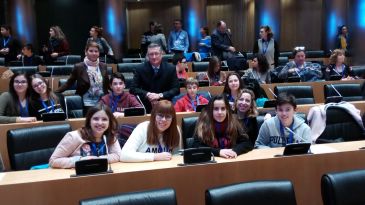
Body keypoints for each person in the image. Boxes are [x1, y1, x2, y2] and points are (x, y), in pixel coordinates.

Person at [49, 104, 122, 168]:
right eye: (96, 119)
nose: (100, 123)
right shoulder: (73, 137)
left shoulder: (110, 136)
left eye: (104, 119)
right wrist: (80, 160)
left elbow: (117, 155)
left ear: (109, 122)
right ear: (89, 121)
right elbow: (53, 161)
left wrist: (97, 160)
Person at [56, 41, 109, 108]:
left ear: (99, 53)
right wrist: (54, 93)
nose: (94, 53)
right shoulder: (79, 67)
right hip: (87, 102)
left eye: (96, 51)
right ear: (86, 52)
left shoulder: (103, 66)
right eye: (91, 51)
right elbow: (68, 84)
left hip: (103, 100)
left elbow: (107, 84)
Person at [130, 43, 180, 113]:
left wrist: (160, 95)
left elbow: (176, 89)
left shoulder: (170, 68)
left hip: (165, 105)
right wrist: (148, 94)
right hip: (146, 106)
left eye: (156, 54)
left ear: (161, 54)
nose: (154, 57)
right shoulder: (140, 69)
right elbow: (132, 89)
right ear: (148, 55)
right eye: (151, 54)